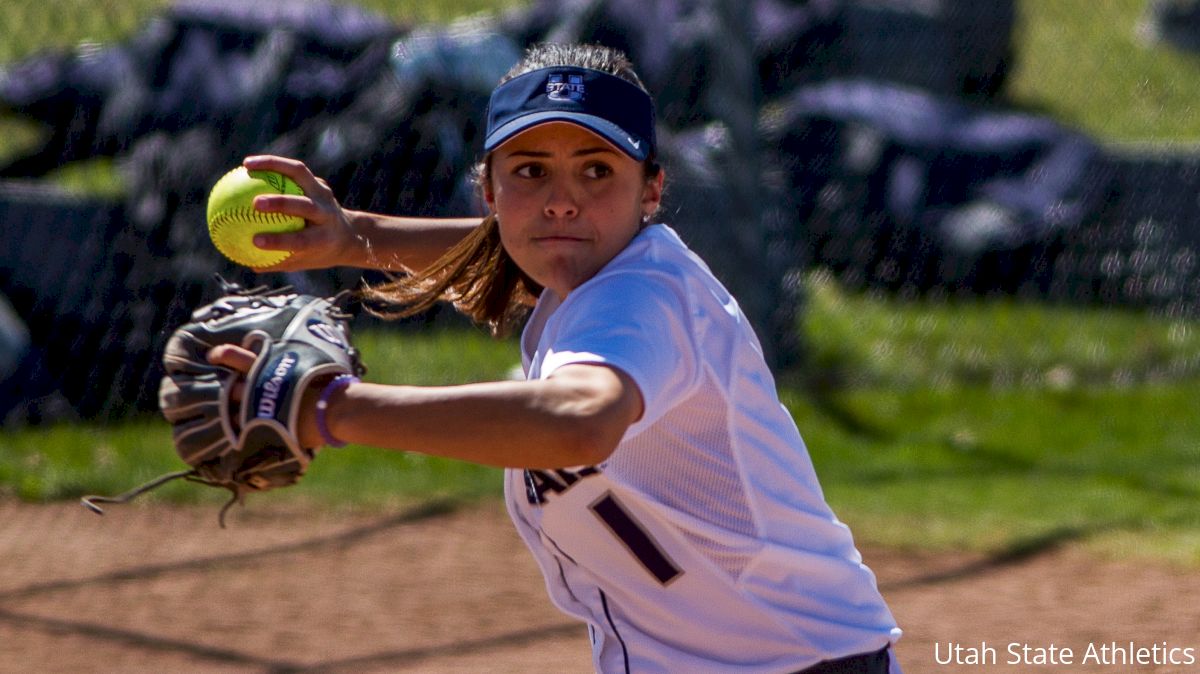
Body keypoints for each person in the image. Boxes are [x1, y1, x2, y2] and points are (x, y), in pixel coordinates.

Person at [210, 43, 903, 674]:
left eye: (597, 170)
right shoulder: (601, 268)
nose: (562, 202)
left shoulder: (640, 303)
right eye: (531, 170)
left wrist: (331, 408)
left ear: (652, 190)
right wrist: (354, 236)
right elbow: (511, 250)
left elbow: (580, 421)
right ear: (488, 190)